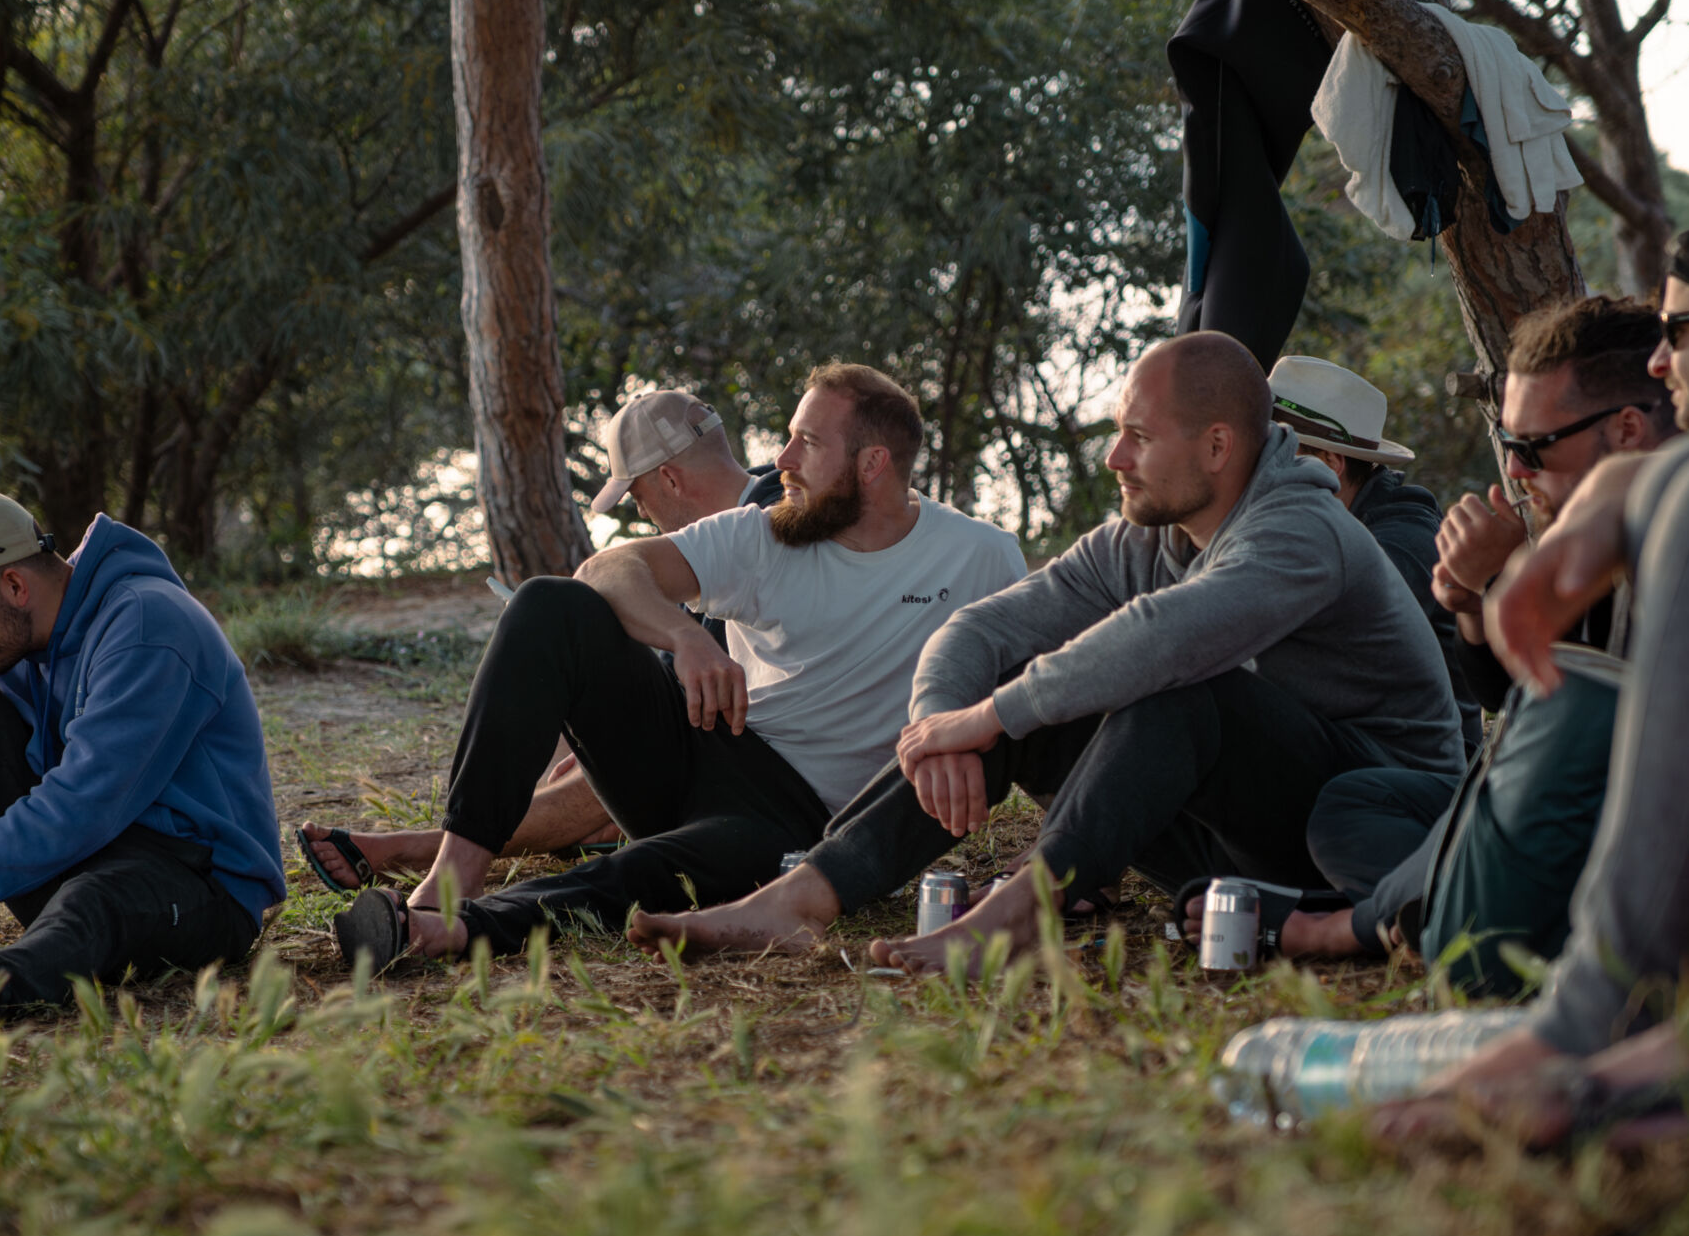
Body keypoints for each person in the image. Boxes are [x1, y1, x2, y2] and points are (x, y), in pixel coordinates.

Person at [630, 332, 1462, 965]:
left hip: (1371, 820)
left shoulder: (1300, 531)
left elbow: (1166, 637)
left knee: (1178, 690)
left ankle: (1025, 908)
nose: (1114, 456)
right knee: (1018, 686)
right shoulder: (1149, 536)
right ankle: (803, 897)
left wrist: (992, 714)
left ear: (1217, 447)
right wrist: (942, 721)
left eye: (1139, 436)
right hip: (1236, 840)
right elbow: (983, 627)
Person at [1377, 201, 1689, 1127]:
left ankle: (1599, 1015)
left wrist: (1629, 489)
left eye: (1676, 332)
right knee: (1361, 815)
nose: (1660, 362)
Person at [329, 363, 1026, 970]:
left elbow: (1035, 690)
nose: (781, 457)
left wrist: (1050, 851)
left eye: (807, 443)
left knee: (642, 873)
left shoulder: (981, 556)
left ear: (872, 464)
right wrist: (686, 639)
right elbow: (608, 568)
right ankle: (451, 878)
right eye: (788, 435)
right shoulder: (765, 532)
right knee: (548, 605)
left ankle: (447, 933)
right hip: (708, 745)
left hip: (799, 822)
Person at [1218, 298, 1677, 977]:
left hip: (1618, 832)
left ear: (1629, 429)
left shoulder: (1687, 534)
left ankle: (1376, 921)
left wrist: (1499, 581)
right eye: (1509, 445)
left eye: (1531, 447)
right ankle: (1414, 905)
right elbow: (1507, 697)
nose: (1513, 471)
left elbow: (1566, 740)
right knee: (1357, 805)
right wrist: (1473, 601)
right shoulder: (1587, 529)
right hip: (1515, 800)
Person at [295, 389, 783, 890]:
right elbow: (614, 593)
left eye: (637, 497)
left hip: (757, 784)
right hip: (698, 753)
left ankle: (419, 850)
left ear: (671, 480)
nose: (641, 515)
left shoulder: (774, 529)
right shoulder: (699, 550)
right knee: (554, 666)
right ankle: (451, 845)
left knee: (586, 768)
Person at [0, 492, 284, 1036]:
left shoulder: (149, 623)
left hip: (200, 885)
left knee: (93, 899)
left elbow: (85, 807)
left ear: (15, 586)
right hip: (91, 854)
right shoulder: (23, 648)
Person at [1268, 355, 1481, 758]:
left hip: (1410, 773)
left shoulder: (1404, 544)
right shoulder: (1332, 529)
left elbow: (1309, 634)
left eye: (1274, 453)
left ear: (1328, 464)